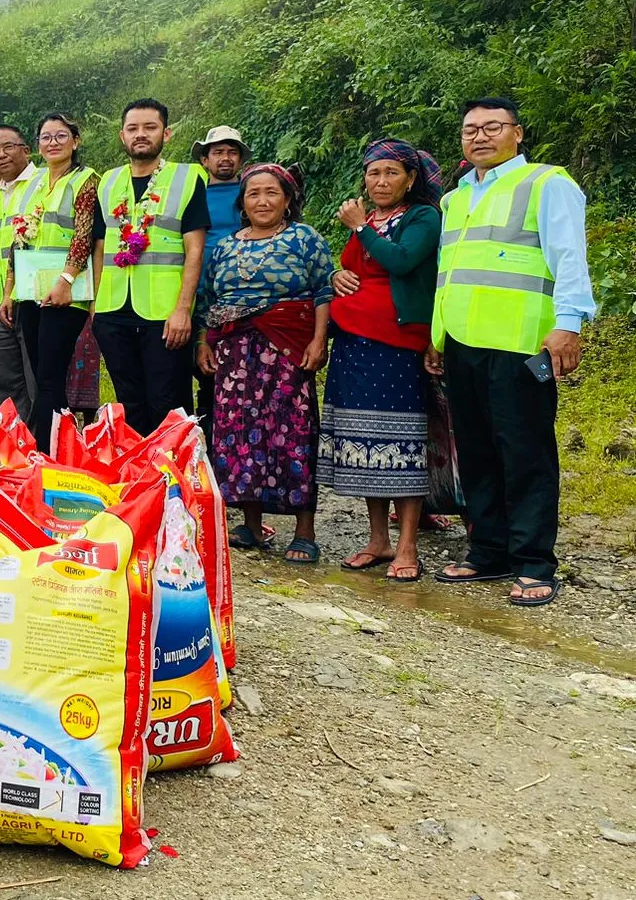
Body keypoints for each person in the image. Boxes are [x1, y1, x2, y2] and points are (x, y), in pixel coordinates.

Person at [427, 97, 595, 608]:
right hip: (463, 341)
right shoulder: (455, 198)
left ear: (517, 133)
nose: (479, 136)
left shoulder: (546, 183)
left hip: (522, 343)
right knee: (476, 450)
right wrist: (437, 336)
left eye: (492, 127)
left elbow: (570, 258)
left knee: (525, 452)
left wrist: (568, 324)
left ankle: (533, 562)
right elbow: (451, 271)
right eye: (470, 129)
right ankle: (489, 551)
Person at [196, 164, 334, 562]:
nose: (262, 201)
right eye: (253, 193)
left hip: (286, 349)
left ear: (287, 199)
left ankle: (304, 531)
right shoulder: (225, 247)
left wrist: (319, 340)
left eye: (271, 192)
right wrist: (203, 343)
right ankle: (252, 525)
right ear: (242, 203)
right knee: (238, 433)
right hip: (234, 354)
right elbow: (208, 300)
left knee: (292, 432)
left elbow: (323, 290)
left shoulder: (304, 238)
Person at [320, 139, 443, 582]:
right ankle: (378, 540)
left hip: (396, 342)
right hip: (353, 343)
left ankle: (407, 545)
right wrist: (336, 274)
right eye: (374, 173)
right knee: (365, 441)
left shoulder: (422, 217)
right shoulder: (370, 220)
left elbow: (403, 261)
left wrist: (359, 227)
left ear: (410, 179)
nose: (381, 181)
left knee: (401, 442)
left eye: (392, 172)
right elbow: (352, 268)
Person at [92, 99, 209, 437]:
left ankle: (174, 468)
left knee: (167, 403)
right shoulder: (109, 182)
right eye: (133, 128)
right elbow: (99, 246)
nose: (140, 134)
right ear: (122, 135)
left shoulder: (187, 178)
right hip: (113, 310)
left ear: (166, 133)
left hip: (164, 312)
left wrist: (183, 310)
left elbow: (195, 250)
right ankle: (136, 470)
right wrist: (97, 306)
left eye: (150, 127)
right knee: (129, 405)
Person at [1, 112, 98, 448]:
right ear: (38, 144)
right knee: (41, 373)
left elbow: (84, 235)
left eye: (61, 136)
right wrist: (10, 289)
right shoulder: (35, 183)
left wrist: (66, 280)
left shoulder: (85, 180)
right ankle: (50, 446)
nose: (53, 143)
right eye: (46, 137)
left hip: (65, 293)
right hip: (31, 290)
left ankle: (51, 449)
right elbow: (18, 237)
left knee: (50, 376)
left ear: (76, 141)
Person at [191, 125, 250, 443]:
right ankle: (207, 445)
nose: (225, 158)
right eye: (218, 152)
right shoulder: (193, 194)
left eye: (232, 152)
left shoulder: (251, 192)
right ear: (205, 159)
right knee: (205, 371)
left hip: (242, 294)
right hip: (198, 292)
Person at [0, 124, 38, 420]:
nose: (1, 155)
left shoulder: (42, 184)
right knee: (6, 380)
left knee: (35, 378)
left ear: (26, 150)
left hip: (31, 297)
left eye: (8, 147)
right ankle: (14, 439)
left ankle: (41, 440)